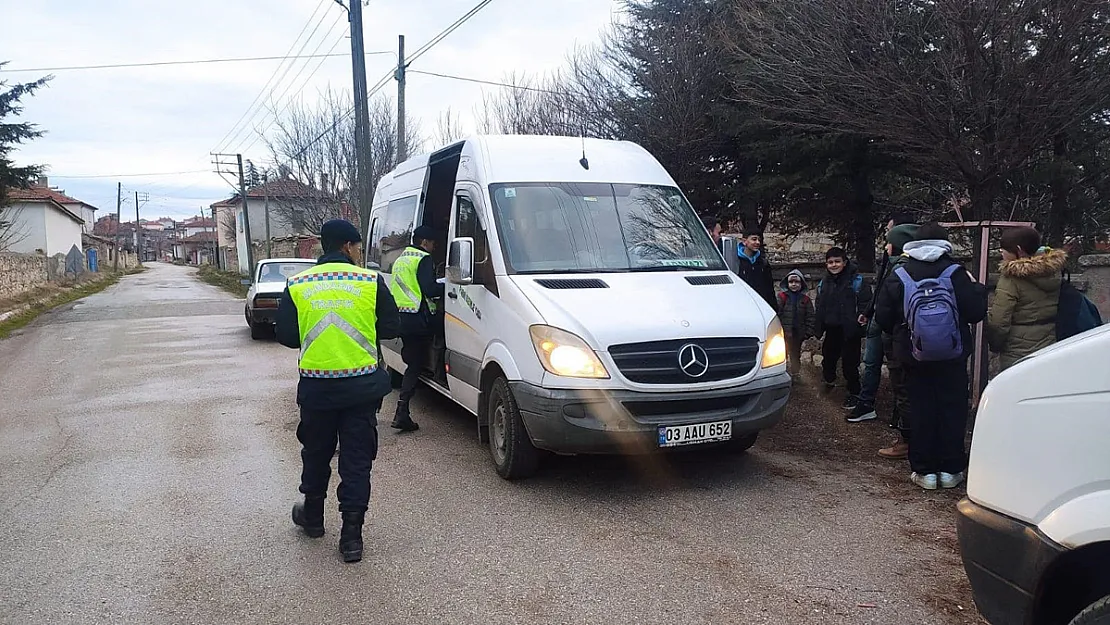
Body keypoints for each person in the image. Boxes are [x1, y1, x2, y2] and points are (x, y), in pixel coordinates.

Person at [275, 219, 400, 563]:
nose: (360, 254)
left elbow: (286, 336)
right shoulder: (370, 281)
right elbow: (391, 326)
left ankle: (312, 518)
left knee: (316, 453)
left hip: (317, 389)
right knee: (356, 461)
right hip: (361, 389)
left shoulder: (298, 284)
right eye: (358, 247)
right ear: (347, 246)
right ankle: (351, 538)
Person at [874, 222, 987, 491]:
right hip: (952, 355)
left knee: (921, 409)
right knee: (952, 409)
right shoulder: (956, 272)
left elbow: (883, 318)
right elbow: (975, 313)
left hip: (914, 356)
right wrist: (978, 289)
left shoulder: (899, 273)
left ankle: (924, 472)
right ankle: (950, 470)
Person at [851, 216, 918, 425]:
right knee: (871, 363)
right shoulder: (889, 261)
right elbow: (879, 287)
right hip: (877, 320)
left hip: (889, 326)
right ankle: (866, 403)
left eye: (890, 232)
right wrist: (869, 310)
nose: (885, 239)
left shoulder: (904, 266)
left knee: (896, 370)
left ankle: (901, 417)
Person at [986, 227, 1066, 371]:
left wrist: (995, 345)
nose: (1001, 253)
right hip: (1049, 342)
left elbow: (1000, 322)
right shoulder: (1053, 271)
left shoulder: (1011, 278)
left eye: (1003, 250)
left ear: (1018, 250)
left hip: (1017, 350)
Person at [390, 225, 445, 432]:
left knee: (412, 362)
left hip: (401, 317)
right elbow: (429, 289)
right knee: (415, 364)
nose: (434, 246)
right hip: (417, 318)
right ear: (424, 242)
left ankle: (402, 410)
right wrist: (448, 284)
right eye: (432, 243)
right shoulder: (423, 258)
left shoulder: (402, 258)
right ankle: (402, 411)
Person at [814, 247, 872, 409]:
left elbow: (865, 303)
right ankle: (829, 382)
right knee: (828, 360)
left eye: (837, 261)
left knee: (850, 364)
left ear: (844, 263)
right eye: (830, 262)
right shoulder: (824, 283)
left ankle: (854, 392)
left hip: (849, 330)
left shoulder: (857, 281)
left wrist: (862, 318)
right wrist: (818, 326)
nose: (834, 265)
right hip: (831, 329)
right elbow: (820, 304)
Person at [776, 269, 815, 376]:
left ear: (801, 284)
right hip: (784, 332)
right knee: (781, 354)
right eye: (791, 282)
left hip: (798, 333)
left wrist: (808, 332)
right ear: (787, 283)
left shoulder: (805, 299)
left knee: (795, 354)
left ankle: (795, 373)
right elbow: (777, 314)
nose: (794, 284)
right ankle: (781, 373)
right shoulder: (782, 297)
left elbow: (810, 317)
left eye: (797, 282)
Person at [735, 227, 776, 308]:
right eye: (754, 239)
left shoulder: (763, 263)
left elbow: (769, 290)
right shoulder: (735, 261)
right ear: (744, 241)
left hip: (761, 307)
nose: (757, 242)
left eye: (759, 240)